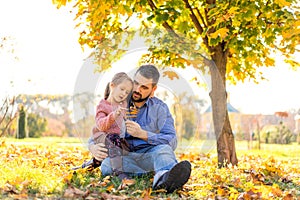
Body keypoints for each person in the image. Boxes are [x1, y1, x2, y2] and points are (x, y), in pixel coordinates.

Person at [88, 65, 191, 193]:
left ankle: (164, 177)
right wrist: (92, 147)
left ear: (153, 90)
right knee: (107, 165)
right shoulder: (119, 102)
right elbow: (99, 129)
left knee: (164, 150)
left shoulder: (160, 108)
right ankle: (152, 175)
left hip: (151, 155)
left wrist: (143, 134)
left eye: (144, 87)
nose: (137, 89)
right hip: (126, 156)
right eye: (136, 83)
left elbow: (172, 141)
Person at [90, 72, 133, 181]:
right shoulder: (102, 105)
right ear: (112, 85)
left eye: (127, 92)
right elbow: (101, 125)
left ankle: (93, 163)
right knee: (113, 139)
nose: (124, 93)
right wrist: (114, 115)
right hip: (102, 136)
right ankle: (118, 172)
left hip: (116, 138)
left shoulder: (122, 104)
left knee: (125, 147)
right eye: (122, 89)